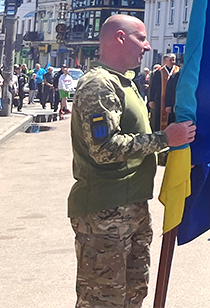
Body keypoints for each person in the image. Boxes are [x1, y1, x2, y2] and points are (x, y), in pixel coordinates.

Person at [69, 15, 197, 308]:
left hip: (131, 206)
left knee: (132, 294)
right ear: (120, 38)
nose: (147, 46)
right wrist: (165, 139)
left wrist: (173, 156)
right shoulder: (99, 84)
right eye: (141, 38)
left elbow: (135, 144)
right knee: (102, 301)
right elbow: (104, 148)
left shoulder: (124, 83)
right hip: (105, 211)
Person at [147, 54, 180, 131]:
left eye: (174, 60)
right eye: (170, 60)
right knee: (159, 121)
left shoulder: (178, 71)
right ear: (165, 61)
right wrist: (151, 100)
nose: (173, 62)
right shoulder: (159, 72)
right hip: (160, 100)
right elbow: (153, 87)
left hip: (173, 100)